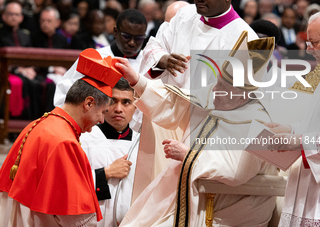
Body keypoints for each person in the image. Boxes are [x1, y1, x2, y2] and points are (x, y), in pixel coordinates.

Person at [116, 32, 278, 226]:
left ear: (244, 97)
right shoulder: (219, 94)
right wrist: (137, 81)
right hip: (192, 192)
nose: (215, 90)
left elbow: (237, 171)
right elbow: (175, 105)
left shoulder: (260, 122)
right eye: (218, 82)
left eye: (224, 87)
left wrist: (189, 155)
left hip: (227, 206)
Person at [0, 48, 122, 226]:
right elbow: (75, 218)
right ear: (88, 103)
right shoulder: (65, 142)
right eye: (103, 112)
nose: (102, 120)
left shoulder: (40, 124)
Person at [265, 9, 320, 226]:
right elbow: (318, 122)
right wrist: (288, 128)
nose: (309, 50)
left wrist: (296, 141)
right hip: (312, 180)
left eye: (314, 43)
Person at [140, 0, 258, 89]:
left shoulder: (246, 39)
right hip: (169, 103)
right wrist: (163, 59)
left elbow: (241, 94)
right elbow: (154, 46)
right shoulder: (184, 15)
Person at [54, 9, 147, 108]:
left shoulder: (150, 63)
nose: (132, 43)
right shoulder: (95, 58)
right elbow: (64, 95)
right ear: (115, 31)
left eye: (138, 39)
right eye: (126, 36)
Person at [81, 78, 139, 227]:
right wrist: (105, 173)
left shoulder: (143, 144)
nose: (118, 109)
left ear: (136, 107)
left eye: (126, 102)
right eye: (113, 101)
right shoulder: (84, 139)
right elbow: (69, 182)